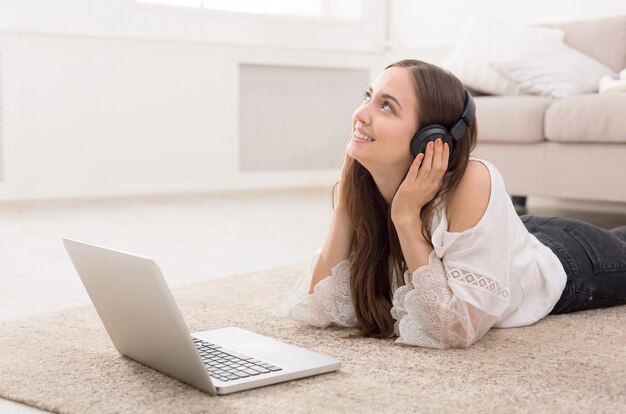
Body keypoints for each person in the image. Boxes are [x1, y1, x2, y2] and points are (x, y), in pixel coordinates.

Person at [274, 59, 626, 349]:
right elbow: (316, 307)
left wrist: (407, 218)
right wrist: (347, 195)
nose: (361, 114)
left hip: (570, 259)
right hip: (510, 236)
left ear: (431, 139)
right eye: (369, 96)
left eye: (386, 106)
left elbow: (455, 330)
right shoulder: (362, 185)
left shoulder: (473, 180)